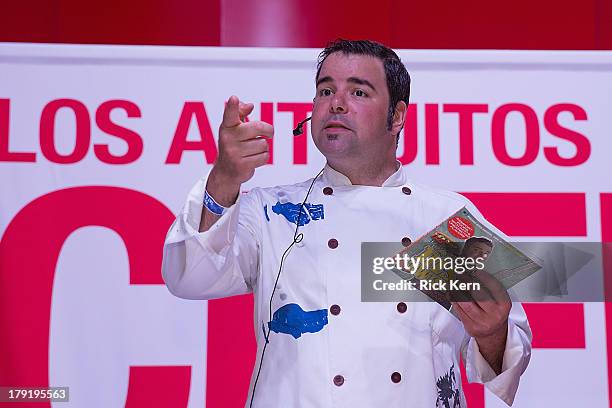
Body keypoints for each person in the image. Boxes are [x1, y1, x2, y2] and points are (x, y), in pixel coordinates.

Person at [162, 39, 531, 407]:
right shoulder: (271, 210)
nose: (336, 103)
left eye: (358, 91)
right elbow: (189, 276)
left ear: (397, 116)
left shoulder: (446, 218)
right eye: (325, 90)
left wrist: (492, 333)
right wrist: (225, 178)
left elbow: (511, 351)